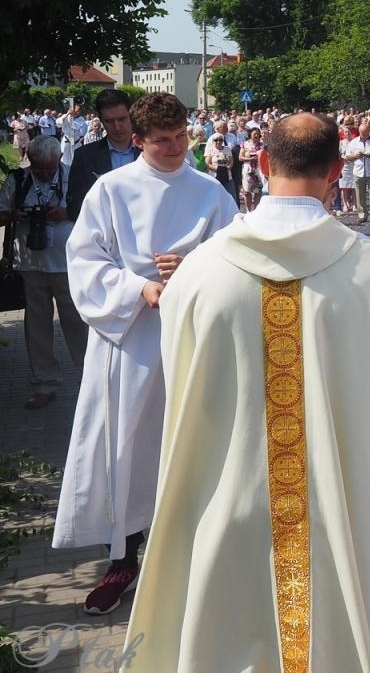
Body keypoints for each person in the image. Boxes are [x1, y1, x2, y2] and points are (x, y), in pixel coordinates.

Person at [122, 113, 370, 673]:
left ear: (261, 163)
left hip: (222, 506)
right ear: (336, 170)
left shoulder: (199, 273)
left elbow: (180, 391)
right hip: (332, 517)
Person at [55, 93, 239, 615]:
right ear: (137, 140)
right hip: (130, 340)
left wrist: (194, 268)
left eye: (182, 136)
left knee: (191, 442)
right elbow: (85, 263)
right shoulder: (111, 191)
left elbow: (237, 257)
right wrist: (140, 288)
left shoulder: (210, 192)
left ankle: (193, 555)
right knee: (128, 446)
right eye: (163, 141)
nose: (177, 148)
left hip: (193, 339)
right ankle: (122, 558)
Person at [0, 135, 88, 409]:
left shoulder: (74, 176)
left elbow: (93, 213)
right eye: (39, 167)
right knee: (37, 327)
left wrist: (67, 212)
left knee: (78, 325)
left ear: (58, 160)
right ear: (30, 161)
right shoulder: (18, 180)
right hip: (30, 265)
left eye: (49, 167)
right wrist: (14, 215)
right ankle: (44, 384)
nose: (44, 173)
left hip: (68, 265)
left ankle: (91, 384)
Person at [67, 89, 140, 221]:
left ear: (131, 116)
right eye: (109, 121)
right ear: (100, 121)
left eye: (122, 119)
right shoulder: (84, 156)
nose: (117, 127)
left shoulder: (149, 151)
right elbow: (75, 205)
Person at [345, 120, 370, 224]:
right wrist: (356, 156)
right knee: (359, 193)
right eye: (362, 134)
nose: (364, 136)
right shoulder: (354, 142)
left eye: (366, 134)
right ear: (359, 132)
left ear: (369, 132)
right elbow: (348, 157)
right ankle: (362, 214)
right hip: (358, 171)